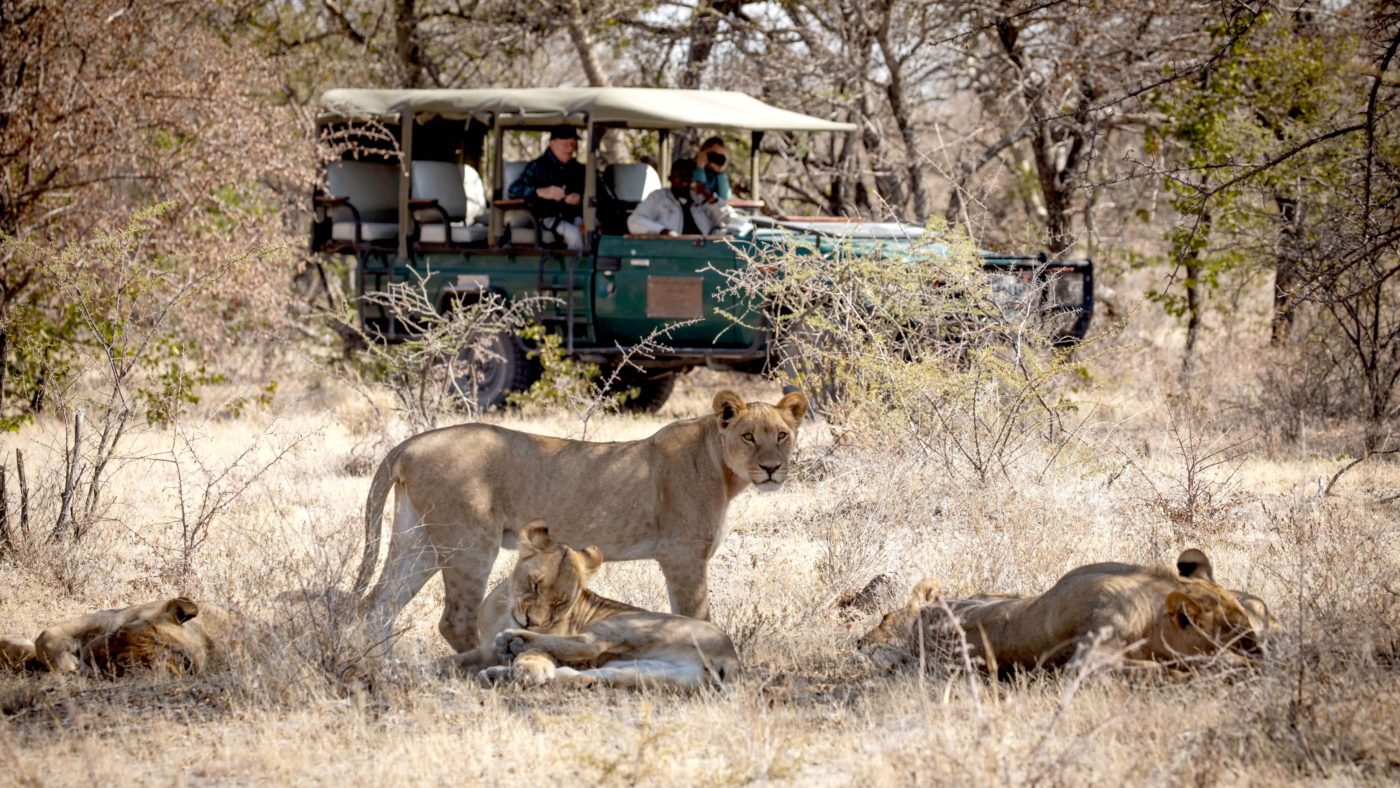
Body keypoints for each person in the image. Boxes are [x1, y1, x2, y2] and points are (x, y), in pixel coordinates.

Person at [507, 125, 585, 249]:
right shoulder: (537, 167)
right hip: (546, 218)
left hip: (576, 217)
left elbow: (596, 194)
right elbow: (514, 190)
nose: (570, 149)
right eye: (565, 144)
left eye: (573, 144)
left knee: (594, 232)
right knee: (575, 235)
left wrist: (580, 198)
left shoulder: (579, 169)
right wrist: (541, 192)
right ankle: (577, 267)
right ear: (552, 144)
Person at [628, 158, 729, 236]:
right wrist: (662, 231)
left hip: (703, 249)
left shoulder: (700, 198)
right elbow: (634, 221)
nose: (685, 180)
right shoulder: (658, 197)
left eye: (688, 176)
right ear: (670, 178)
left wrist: (710, 197)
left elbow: (727, 222)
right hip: (671, 249)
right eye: (680, 176)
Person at [694, 136, 732, 202]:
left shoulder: (719, 174)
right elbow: (700, 195)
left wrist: (721, 172)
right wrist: (700, 168)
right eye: (712, 155)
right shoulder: (691, 169)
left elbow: (725, 197)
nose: (715, 158)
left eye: (720, 156)